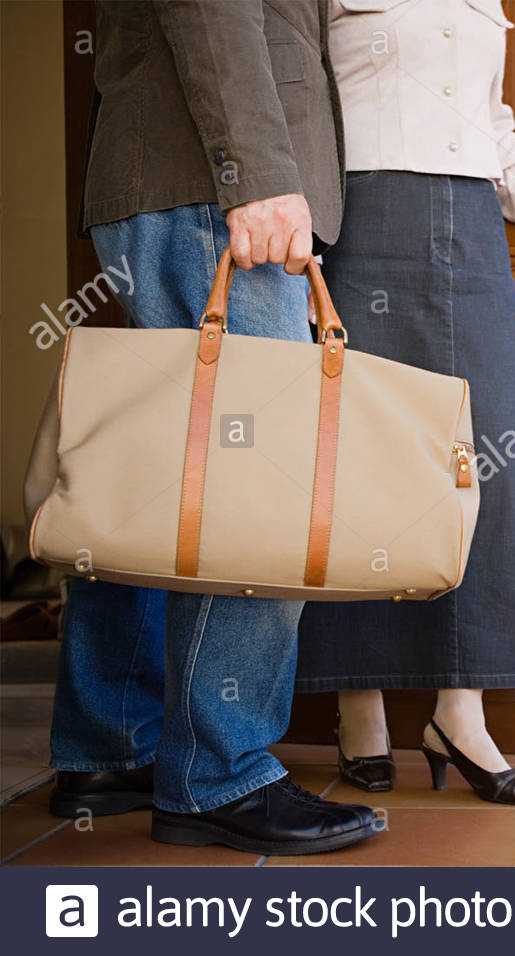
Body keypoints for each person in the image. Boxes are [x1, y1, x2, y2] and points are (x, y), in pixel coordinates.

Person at [46, 0, 379, 855]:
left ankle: (115, 747)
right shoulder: (240, 183)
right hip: (212, 181)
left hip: (180, 176)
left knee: (165, 475)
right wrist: (259, 172)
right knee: (252, 488)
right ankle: (218, 774)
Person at [294, 0, 515, 805]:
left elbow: (493, 126)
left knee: (482, 465)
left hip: (474, 224)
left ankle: (460, 713)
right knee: (364, 467)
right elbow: (302, 100)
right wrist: (300, 245)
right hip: (361, 219)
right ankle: (358, 705)